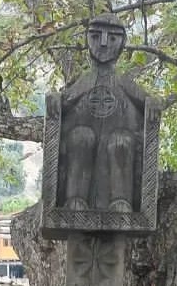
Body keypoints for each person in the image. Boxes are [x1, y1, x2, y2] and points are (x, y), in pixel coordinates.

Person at [58, 13, 149, 212]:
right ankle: (75, 198)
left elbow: (148, 102)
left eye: (113, 38)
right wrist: (54, 102)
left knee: (121, 141)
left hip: (116, 148)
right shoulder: (86, 80)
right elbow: (64, 102)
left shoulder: (123, 82)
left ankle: (120, 200)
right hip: (85, 147)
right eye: (96, 36)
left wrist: (155, 104)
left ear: (123, 43)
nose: (105, 43)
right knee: (80, 136)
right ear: (87, 39)